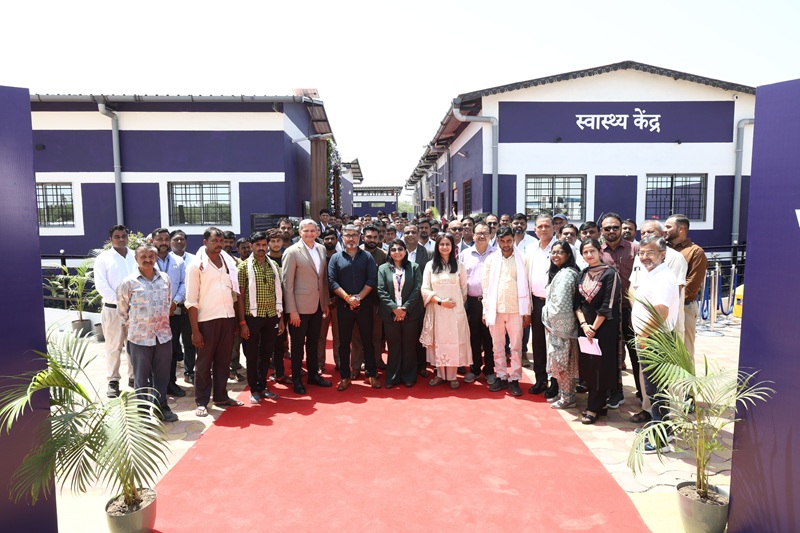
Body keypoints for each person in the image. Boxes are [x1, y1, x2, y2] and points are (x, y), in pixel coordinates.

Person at [184, 227, 244, 417]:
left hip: (227, 318)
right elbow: (191, 301)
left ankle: (221, 396)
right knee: (203, 364)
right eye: (214, 241)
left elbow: (234, 294)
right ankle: (201, 401)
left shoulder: (228, 262)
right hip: (206, 321)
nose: (219, 244)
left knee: (223, 362)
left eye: (221, 241)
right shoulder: (196, 266)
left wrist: (237, 321)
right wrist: (195, 331)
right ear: (205, 242)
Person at [116, 244, 178, 422]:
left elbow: (168, 302)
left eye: (151, 256)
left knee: (162, 375)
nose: (147, 259)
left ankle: (161, 406)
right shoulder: (128, 282)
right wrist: (136, 325)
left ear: (156, 258)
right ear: (136, 259)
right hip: (139, 338)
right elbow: (122, 310)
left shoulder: (165, 279)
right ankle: (143, 413)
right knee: (141, 378)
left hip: (163, 335)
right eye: (143, 256)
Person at [630, 235, 680, 453]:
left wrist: (644, 336)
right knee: (656, 389)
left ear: (663, 254)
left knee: (656, 390)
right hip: (651, 338)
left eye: (650, 253)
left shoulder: (663, 278)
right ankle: (663, 429)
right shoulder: (653, 274)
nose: (644, 257)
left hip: (654, 340)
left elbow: (661, 312)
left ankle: (659, 441)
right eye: (641, 253)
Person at [282, 219, 333, 394]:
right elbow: (287, 284)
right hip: (299, 308)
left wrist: (325, 302)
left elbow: (323, 280)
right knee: (297, 345)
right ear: (300, 232)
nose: (310, 234)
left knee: (314, 342)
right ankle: (296, 379)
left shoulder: (321, 249)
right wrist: (292, 311)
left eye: (313, 230)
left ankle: (313, 375)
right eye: (306, 231)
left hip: (317, 305)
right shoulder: (292, 252)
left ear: (317, 232)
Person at [573, 238, 621, 424]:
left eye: (592, 251)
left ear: (600, 251)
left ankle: (593, 407)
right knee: (589, 366)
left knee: (601, 367)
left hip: (603, 328)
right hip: (585, 329)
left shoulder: (610, 273)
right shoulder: (582, 273)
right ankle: (598, 405)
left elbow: (608, 304)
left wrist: (594, 327)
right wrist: (584, 325)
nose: (589, 255)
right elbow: (577, 304)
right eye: (585, 252)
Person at [328, 224, 380, 391]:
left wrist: (358, 298)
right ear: (342, 237)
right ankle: (345, 376)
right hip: (343, 306)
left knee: (368, 341)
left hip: (364, 305)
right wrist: (347, 298)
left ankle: (371, 374)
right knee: (344, 342)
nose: (351, 238)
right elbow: (332, 281)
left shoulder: (367, 257)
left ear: (360, 237)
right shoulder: (336, 258)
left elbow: (372, 279)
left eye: (354, 235)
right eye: (347, 235)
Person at [481, 226, 531, 397]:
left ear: (513, 239)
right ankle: (501, 376)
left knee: (516, 347)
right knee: (497, 346)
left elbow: (528, 286)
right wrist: (485, 310)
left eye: (509, 240)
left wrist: (527, 312)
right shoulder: (491, 260)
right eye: (502, 241)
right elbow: (485, 287)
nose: (506, 244)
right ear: (498, 241)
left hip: (516, 309)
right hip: (495, 309)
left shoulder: (523, 259)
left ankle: (515, 378)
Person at [238, 231, 284, 404]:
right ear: (251, 246)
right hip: (252, 317)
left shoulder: (273, 265)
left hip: (271, 315)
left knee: (266, 353)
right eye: (258, 245)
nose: (261, 248)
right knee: (252, 355)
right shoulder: (244, 267)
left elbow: (278, 293)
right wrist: (242, 323)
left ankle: (263, 386)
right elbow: (240, 297)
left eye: (264, 245)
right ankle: (254, 388)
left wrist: (281, 319)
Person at [420, 233, 471, 390]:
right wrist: (441, 302)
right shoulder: (430, 266)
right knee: (439, 342)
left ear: (452, 246)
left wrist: (454, 305)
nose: (444, 247)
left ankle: (453, 376)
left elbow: (464, 290)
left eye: (447, 244)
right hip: (437, 310)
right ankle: (440, 375)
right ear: (437, 246)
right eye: (441, 244)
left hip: (455, 312)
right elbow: (425, 288)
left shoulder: (460, 266)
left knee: (454, 342)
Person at [599, 213, 638, 409]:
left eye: (615, 227)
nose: (612, 231)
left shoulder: (635, 249)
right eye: (607, 228)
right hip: (609, 311)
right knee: (611, 353)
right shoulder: (599, 251)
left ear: (622, 228)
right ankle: (615, 391)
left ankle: (643, 393)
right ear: (602, 231)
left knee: (636, 352)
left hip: (632, 309)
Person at [94, 224, 137, 397]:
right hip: (113, 310)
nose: (121, 239)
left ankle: (134, 377)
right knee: (113, 347)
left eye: (124, 236)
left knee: (134, 346)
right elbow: (101, 285)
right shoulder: (103, 259)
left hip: (135, 310)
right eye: (117, 236)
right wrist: (121, 302)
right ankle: (113, 381)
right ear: (110, 239)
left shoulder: (135, 255)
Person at [377, 239, 424, 388]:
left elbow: (417, 289)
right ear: (389, 252)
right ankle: (393, 377)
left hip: (410, 313)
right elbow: (381, 290)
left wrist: (404, 309)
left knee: (409, 345)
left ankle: (409, 376)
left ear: (405, 251)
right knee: (394, 346)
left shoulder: (414, 267)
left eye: (400, 249)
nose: (397, 252)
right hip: (390, 314)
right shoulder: (383, 268)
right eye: (393, 249)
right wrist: (394, 308)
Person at [541, 241, 580, 409]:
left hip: (562, 328)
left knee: (564, 364)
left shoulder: (566, 275)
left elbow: (561, 305)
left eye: (560, 252)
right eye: (553, 252)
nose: (555, 255)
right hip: (557, 327)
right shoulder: (561, 272)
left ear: (568, 255)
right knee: (560, 363)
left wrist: (550, 321)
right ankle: (564, 393)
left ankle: (568, 397)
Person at [149, 228, 187, 398]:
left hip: (173, 313)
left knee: (170, 350)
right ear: (153, 241)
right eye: (159, 239)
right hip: (152, 315)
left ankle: (170, 382)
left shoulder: (178, 261)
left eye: (166, 239)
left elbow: (184, 283)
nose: (163, 242)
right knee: (153, 350)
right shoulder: (147, 259)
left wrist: (175, 302)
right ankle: (154, 385)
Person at [665, 214, 708, 358]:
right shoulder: (662, 249)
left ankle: (686, 375)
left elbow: (692, 284)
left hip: (685, 306)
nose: (665, 230)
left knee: (685, 351)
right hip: (664, 308)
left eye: (668, 227)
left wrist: (670, 299)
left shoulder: (695, 252)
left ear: (681, 229)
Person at [459, 222, 497, 384]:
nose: (482, 236)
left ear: (490, 235)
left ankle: (489, 370)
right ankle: (474, 369)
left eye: (485, 233)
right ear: (473, 235)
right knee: (473, 337)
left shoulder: (497, 254)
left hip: (490, 303)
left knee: (490, 338)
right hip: (471, 302)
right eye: (479, 233)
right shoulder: (465, 254)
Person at [351, 224, 388, 375]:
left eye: (375, 237)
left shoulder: (384, 255)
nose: (372, 240)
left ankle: (376, 361)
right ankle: (355, 366)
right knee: (357, 336)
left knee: (376, 335)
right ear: (362, 237)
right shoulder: (354, 252)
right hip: (357, 301)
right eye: (369, 237)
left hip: (376, 302)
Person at [526, 214, 556, 396]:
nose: (543, 229)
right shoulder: (531, 249)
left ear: (554, 228)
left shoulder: (561, 248)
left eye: (547, 226)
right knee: (538, 342)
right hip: (536, 301)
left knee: (556, 343)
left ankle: (556, 382)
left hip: (556, 304)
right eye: (540, 226)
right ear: (535, 229)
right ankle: (541, 379)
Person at [169, 229, 197, 384]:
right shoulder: (165, 260)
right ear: (170, 241)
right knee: (172, 345)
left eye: (182, 239)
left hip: (189, 308)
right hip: (171, 310)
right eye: (175, 239)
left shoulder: (194, 259)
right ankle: (170, 378)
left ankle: (189, 371)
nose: (179, 242)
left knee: (189, 342)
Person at [403, 224, 429, 377]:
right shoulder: (397, 250)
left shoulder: (428, 253)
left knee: (420, 332)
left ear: (418, 234)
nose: (410, 234)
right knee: (405, 334)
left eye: (413, 232)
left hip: (420, 300)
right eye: (407, 232)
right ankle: (405, 364)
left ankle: (421, 365)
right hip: (401, 299)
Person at [318, 228, 341, 374]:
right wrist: (325, 300)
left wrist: (337, 299)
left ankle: (339, 362)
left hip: (338, 301)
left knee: (339, 335)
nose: (330, 241)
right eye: (327, 239)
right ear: (322, 241)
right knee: (320, 335)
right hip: (321, 302)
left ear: (337, 240)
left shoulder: (341, 257)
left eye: (332, 238)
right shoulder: (318, 258)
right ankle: (319, 364)